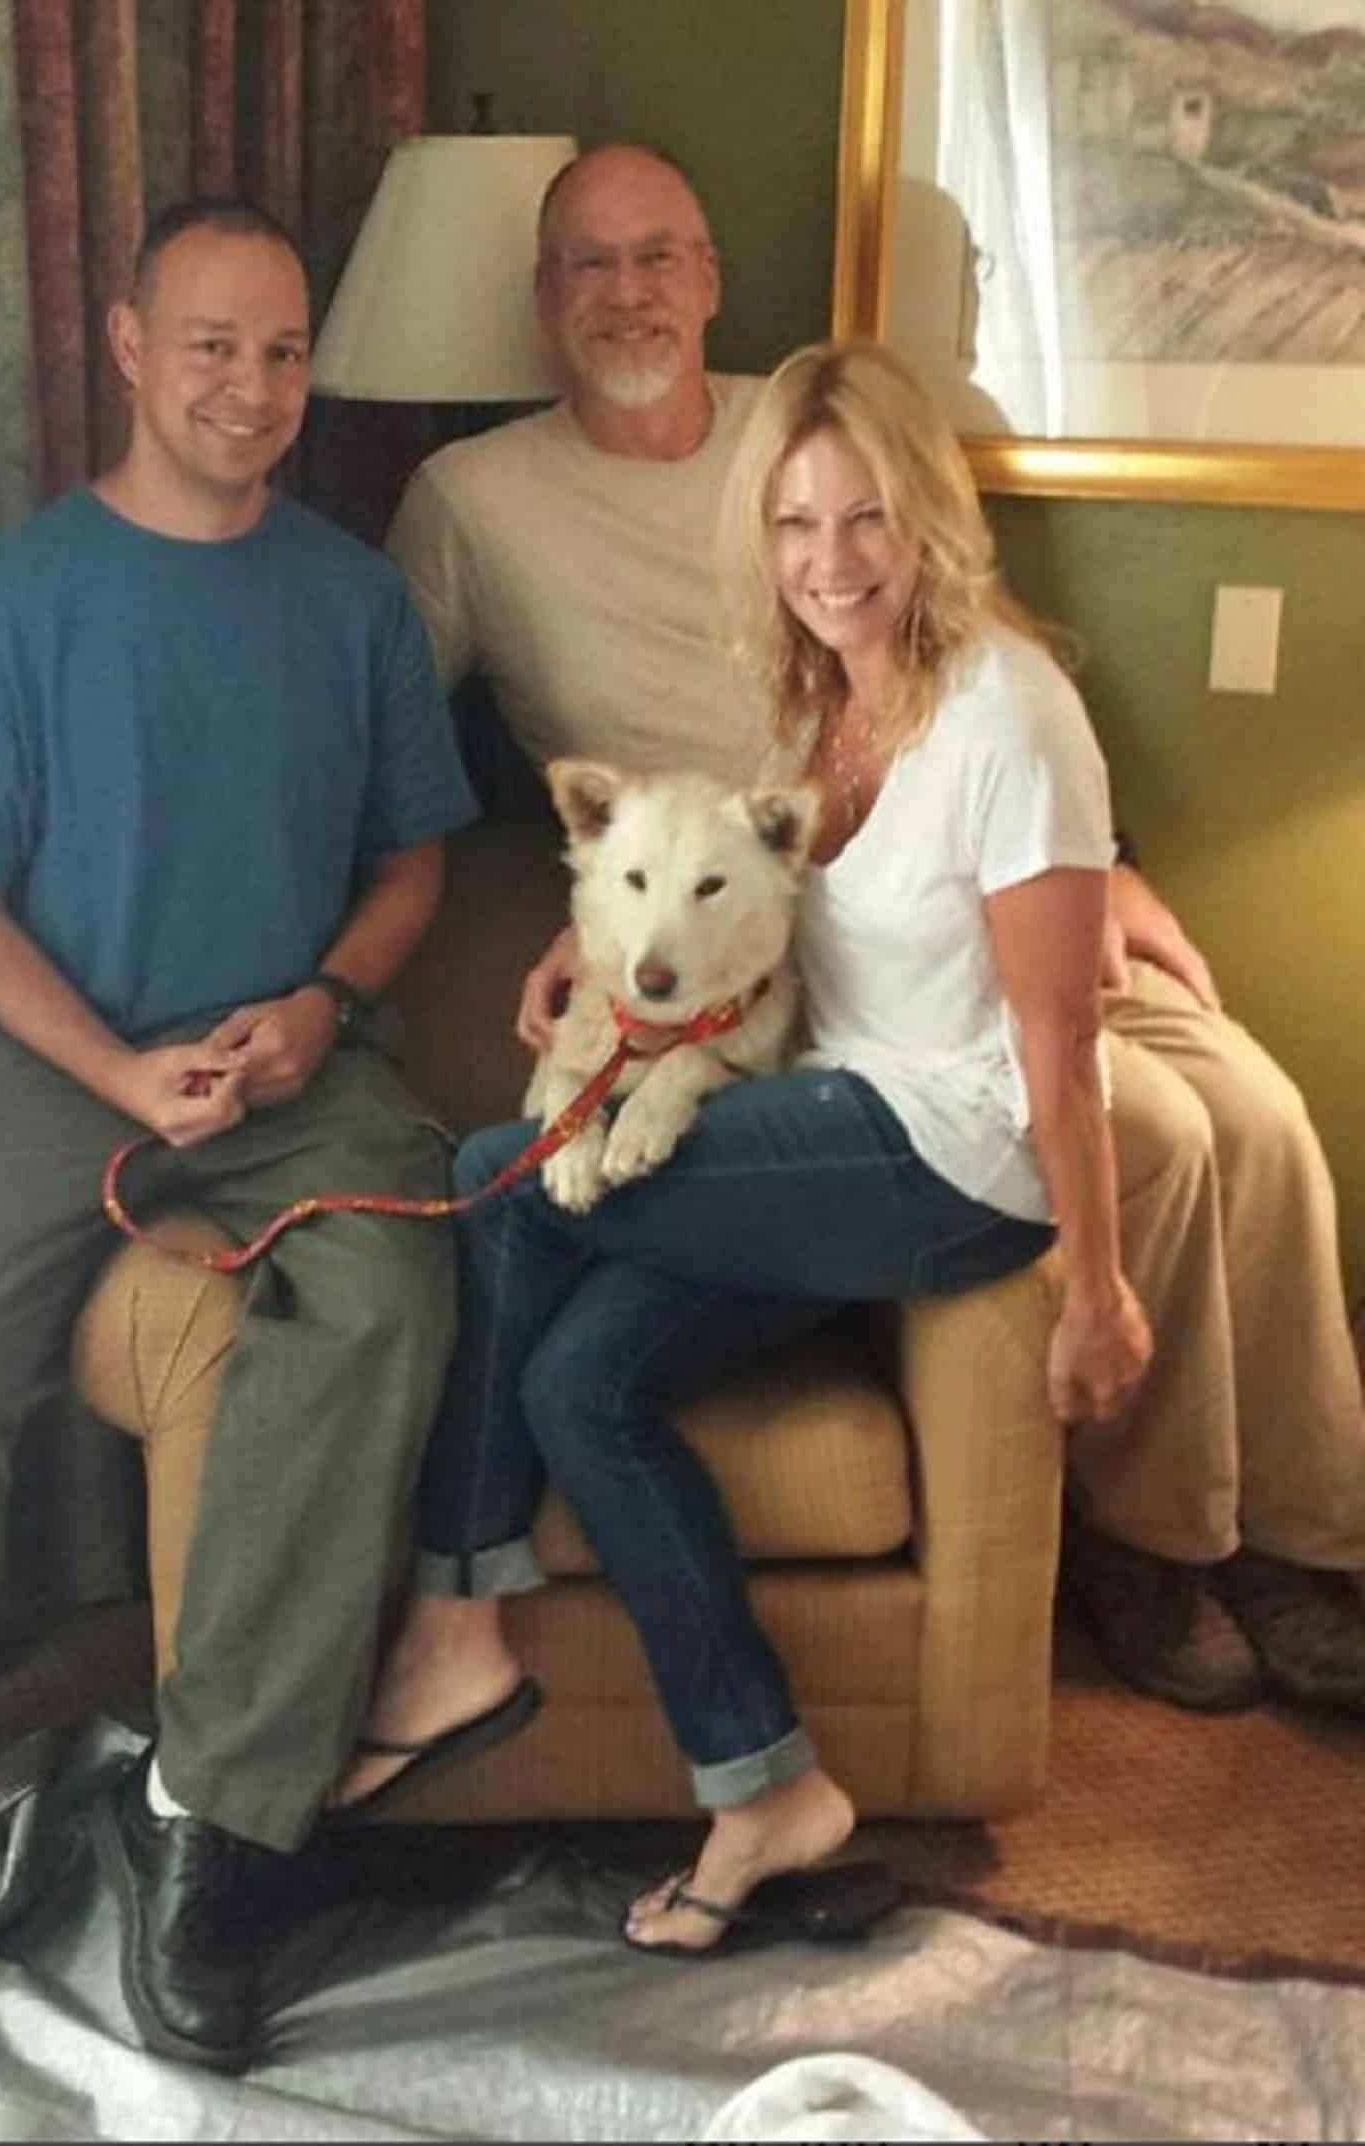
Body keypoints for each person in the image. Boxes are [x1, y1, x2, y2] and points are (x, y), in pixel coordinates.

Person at [385, 143, 1365, 1717]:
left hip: (937, 874)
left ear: (710, 277)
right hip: (786, 932)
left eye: (659, 257)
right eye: (588, 265)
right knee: (1162, 1137)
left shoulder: (797, 433)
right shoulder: (472, 500)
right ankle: (1157, 1535)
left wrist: (1090, 856)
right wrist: (600, 915)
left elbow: (963, 658)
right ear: (542, 299)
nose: (627, 293)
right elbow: (382, 729)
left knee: (1258, 1110)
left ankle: (1307, 1546)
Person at [0, 199, 477, 2071]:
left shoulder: (352, 599)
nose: (251, 387)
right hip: (51, 1056)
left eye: (283, 352)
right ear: (127, 345)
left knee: (396, 1289)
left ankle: (220, 1827)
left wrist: (323, 1002)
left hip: (285, 1054)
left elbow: (415, 864)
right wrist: (112, 1071)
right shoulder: (15, 593)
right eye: (213, 344)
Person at [336, 336, 1152, 1954]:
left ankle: (454, 1616)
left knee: (506, 1183)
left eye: (866, 521)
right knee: (580, 1384)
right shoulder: (822, 696)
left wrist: (1099, 1286)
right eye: (795, 525)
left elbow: (1060, 1040)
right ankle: (764, 1780)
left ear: (930, 517)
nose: (832, 564)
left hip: (946, 1157)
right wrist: (611, 956)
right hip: (829, 1117)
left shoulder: (1013, 714)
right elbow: (753, 912)